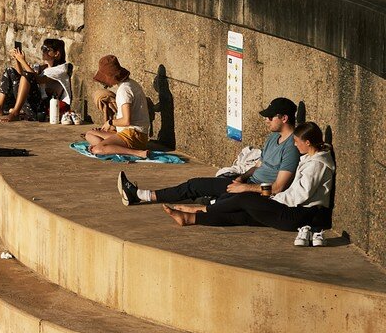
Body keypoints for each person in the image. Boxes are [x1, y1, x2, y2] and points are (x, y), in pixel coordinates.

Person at [162, 122, 334, 244]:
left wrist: (271, 199)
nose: (295, 145)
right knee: (244, 214)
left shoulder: (317, 164)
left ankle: (199, 209)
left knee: (245, 199)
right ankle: (190, 218)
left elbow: (299, 195)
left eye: (297, 142)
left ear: (308, 142)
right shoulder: (310, 159)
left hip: (301, 215)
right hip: (294, 211)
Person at [117, 97, 300, 207]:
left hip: (257, 192)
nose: (266, 120)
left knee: (194, 185)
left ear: (284, 118)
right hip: (247, 183)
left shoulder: (291, 147)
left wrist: (243, 187)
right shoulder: (272, 138)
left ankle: (140, 195)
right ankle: (212, 198)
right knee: (206, 187)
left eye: (270, 117)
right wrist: (242, 177)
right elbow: (259, 164)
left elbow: (278, 187)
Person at [0, 39, 70, 122]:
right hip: (31, 103)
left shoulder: (60, 70)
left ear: (57, 54)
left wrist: (22, 60)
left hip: (41, 108)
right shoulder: (43, 67)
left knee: (28, 75)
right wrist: (17, 60)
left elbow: (37, 79)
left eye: (47, 49)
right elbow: (22, 76)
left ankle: (15, 112)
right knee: (9, 71)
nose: (43, 51)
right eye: (42, 48)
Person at [83, 55, 150, 158]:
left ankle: (138, 153)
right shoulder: (131, 83)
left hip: (134, 135)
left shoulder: (124, 91)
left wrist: (110, 122)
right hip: (129, 133)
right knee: (90, 134)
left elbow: (126, 121)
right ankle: (111, 146)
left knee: (97, 149)